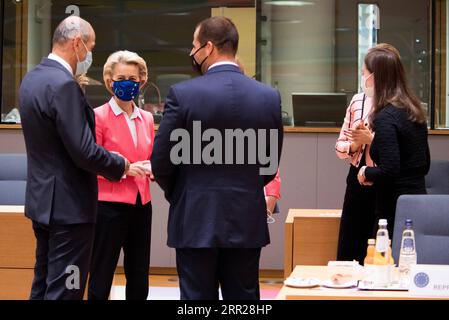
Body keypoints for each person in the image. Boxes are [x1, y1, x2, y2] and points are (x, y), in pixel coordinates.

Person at [150, 16, 283, 300]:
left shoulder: (183, 94)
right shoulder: (268, 96)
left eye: (194, 46)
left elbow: (161, 161)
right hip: (246, 217)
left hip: (195, 216)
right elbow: (269, 164)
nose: (192, 53)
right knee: (244, 301)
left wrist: (183, 192)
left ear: (208, 47)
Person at [18, 16, 144, 300]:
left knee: (43, 284)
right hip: (70, 210)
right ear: (77, 44)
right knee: (68, 287)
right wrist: (122, 164)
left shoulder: (32, 79)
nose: (89, 54)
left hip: (42, 203)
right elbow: (84, 150)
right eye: (90, 46)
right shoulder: (64, 85)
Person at [87, 51, 154, 300]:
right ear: (109, 81)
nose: (128, 82)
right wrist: (125, 168)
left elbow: (150, 154)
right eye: (121, 77)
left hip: (141, 203)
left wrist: (153, 167)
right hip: (108, 206)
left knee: (139, 272)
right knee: (102, 272)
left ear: (141, 81)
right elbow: (92, 161)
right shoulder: (97, 116)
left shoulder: (146, 118)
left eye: (133, 78)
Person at [357, 44, 430, 237]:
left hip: (394, 209)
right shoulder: (414, 110)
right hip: (419, 204)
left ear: (374, 77)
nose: (363, 78)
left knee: (383, 262)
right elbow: (424, 164)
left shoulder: (386, 116)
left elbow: (390, 170)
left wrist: (366, 172)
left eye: (364, 73)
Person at [335, 92, 376, 264]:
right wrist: (354, 145)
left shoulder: (395, 103)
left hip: (382, 174)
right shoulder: (357, 100)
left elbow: (398, 147)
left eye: (365, 72)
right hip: (356, 175)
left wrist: (371, 139)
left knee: (376, 239)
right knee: (350, 238)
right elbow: (339, 146)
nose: (364, 78)